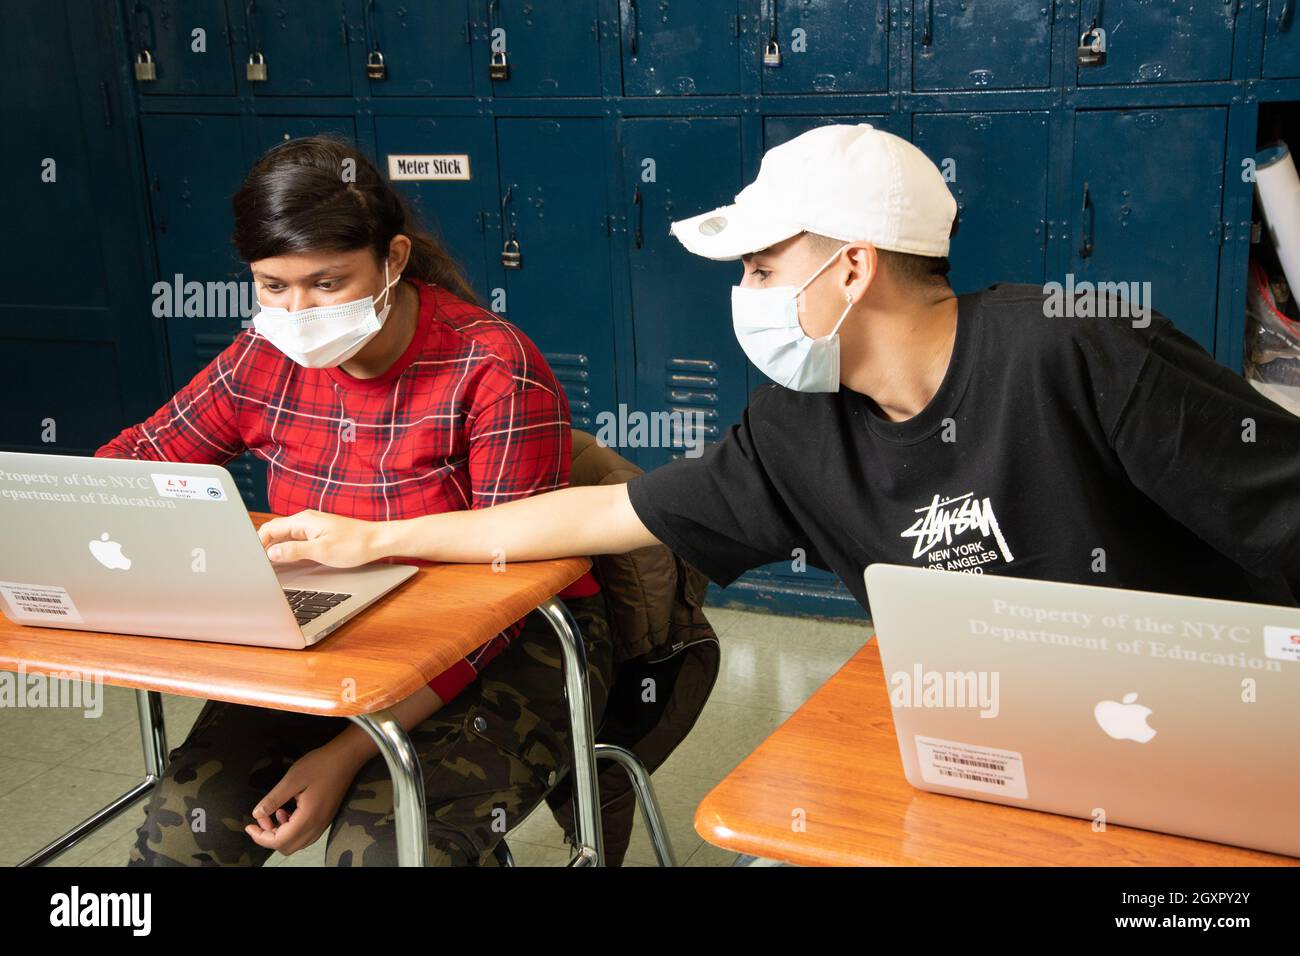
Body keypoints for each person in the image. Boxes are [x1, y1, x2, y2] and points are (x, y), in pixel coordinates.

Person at [257, 123, 1300, 627]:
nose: (746, 292)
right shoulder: (794, 429)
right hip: (1002, 743)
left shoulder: (1077, 348)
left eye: (761, 267)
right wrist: (377, 537)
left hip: (1205, 726)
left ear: (853, 266)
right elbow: (591, 516)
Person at [96, 136, 612, 865]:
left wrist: (344, 753)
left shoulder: (491, 365)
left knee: (381, 852)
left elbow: (514, 590)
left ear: (393, 259)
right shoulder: (260, 358)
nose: (296, 310)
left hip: (508, 644)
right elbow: (135, 465)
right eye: (273, 286)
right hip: (331, 631)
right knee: (183, 836)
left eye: (326, 283)